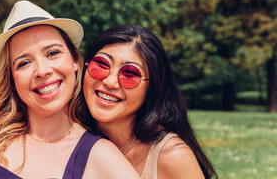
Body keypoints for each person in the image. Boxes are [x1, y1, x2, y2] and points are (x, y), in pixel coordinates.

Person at [0, 1, 140, 179]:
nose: (42, 70)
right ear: (12, 79)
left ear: (74, 60)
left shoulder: (100, 155)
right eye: (24, 63)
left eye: (52, 53)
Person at [74, 24, 218, 179]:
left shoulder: (172, 156)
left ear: (151, 90)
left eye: (129, 74)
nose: (110, 82)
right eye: (102, 65)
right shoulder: (69, 134)